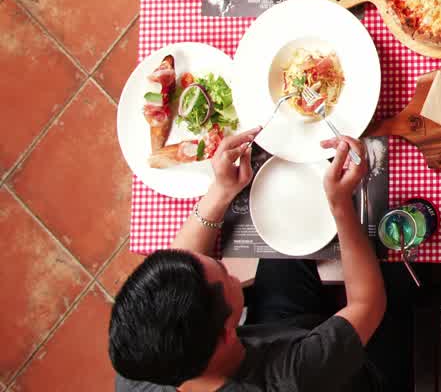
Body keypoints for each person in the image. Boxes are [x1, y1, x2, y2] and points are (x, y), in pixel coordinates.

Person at [109, 130, 395, 391]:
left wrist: (220, 191)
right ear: (225, 334)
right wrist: (340, 203)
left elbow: (182, 262)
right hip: (341, 370)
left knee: (289, 230)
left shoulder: (139, 363)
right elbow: (367, 303)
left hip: (273, 329)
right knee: (397, 281)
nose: (230, 273)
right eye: (225, 273)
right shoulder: (294, 375)